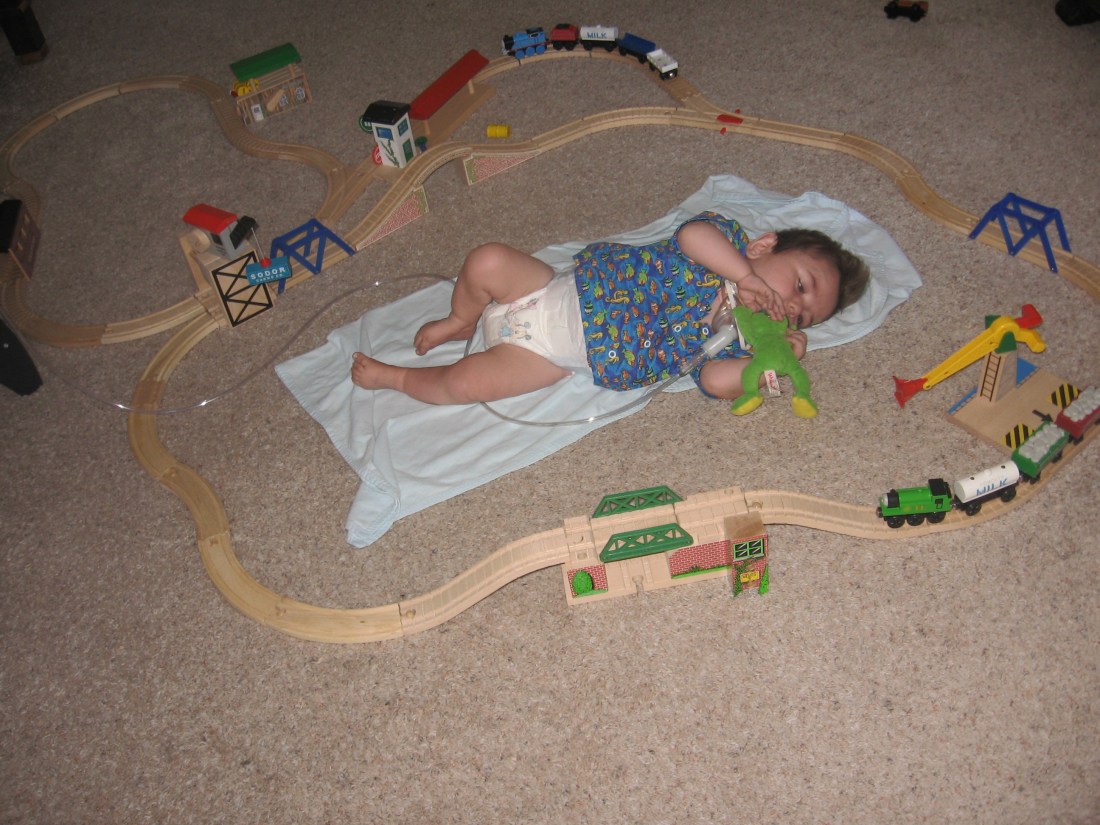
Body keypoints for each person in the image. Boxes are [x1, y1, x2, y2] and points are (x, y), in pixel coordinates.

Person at [350, 211, 869, 404]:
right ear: (763, 246)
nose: (789, 307)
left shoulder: (731, 338)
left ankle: (395, 379)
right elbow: (691, 235)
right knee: (485, 260)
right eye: (800, 285)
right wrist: (743, 276)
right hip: (548, 290)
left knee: (460, 385)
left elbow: (713, 382)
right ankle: (459, 319)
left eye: (802, 317)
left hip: (550, 354)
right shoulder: (727, 246)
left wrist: (772, 361)